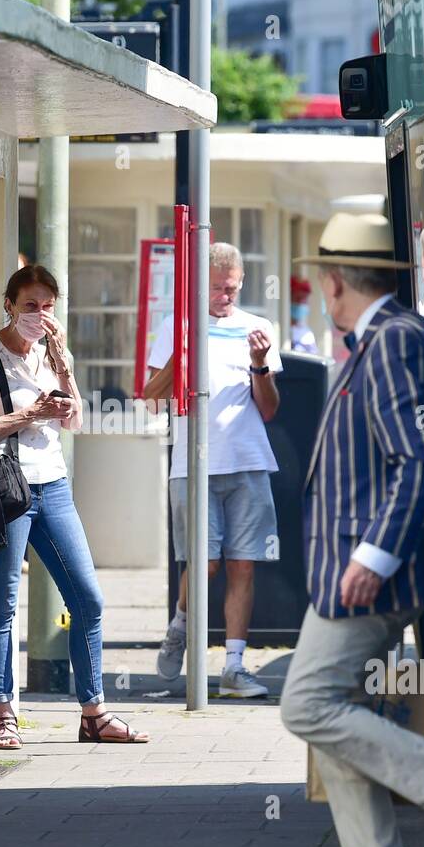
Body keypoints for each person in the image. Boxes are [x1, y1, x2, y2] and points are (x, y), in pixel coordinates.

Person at [279, 211, 424, 847]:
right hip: (354, 568)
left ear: (337, 282)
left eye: (321, 283)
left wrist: (373, 559)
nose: (321, 294)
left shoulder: (394, 343)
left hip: (365, 574)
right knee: (336, 713)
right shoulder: (389, 338)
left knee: (309, 705)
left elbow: (419, 462)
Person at [0, 264, 148, 749]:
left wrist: (61, 361)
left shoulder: (52, 353)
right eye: (29, 306)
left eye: (46, 307)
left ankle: (94, 712)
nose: (38, 316)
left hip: (53, 486)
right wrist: (26, 415)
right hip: (7, 489)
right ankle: (4, 713)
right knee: (2, 602)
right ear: (9, 305)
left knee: (88, 599)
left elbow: (76, 421)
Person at [143, 242, 281, 698]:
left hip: (248, 460)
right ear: (199, 286)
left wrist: (260, 366)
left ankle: (234, 666)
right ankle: (181, 626)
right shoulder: (176, 326)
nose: (226, 296)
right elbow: (149, 393)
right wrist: (183, 353)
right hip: (193, 464)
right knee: (204, 563)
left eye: (233, 288)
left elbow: (269, 410)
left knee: (243, 564)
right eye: (218, 288)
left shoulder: (257, 327)